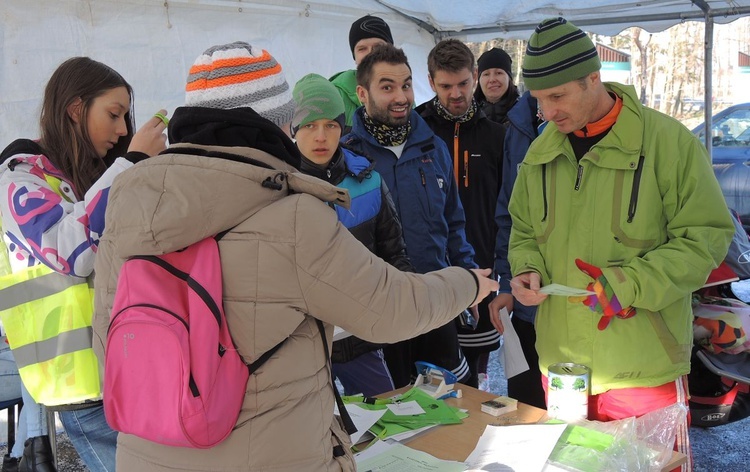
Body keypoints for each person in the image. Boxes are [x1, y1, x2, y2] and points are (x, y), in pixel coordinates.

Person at [91, 41, 498, 472]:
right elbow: (392, 308)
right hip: (269, 456)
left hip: (147, 451)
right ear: (281, 126)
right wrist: (467, 283)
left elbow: (109, 343)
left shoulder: (127, 206)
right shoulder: (292, 215)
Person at [506, 17, 735, 469]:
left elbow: (707, 238)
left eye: (557, 96)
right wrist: (527, 267)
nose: (547, 113)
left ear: (594, 78)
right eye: (539, 100)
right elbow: (524, 232)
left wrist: (631, 282)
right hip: (563, 371)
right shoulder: (541, 152)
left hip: (642, 371)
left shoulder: (668, 143)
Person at [0, 57, 167, 472]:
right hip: (80, 383)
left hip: (122, 368)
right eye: (114, 114)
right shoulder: (17, 182)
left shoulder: (81, 180)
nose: (124, 129)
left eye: (126, 116)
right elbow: (70, 251)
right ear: (75, 109)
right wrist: (130, 165)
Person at [342, 43, 477, 387]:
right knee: (394, 412)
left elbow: (453, 221)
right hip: (378, 312)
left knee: (455, 402)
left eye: (406, 84)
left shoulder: (433, 146)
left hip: (434, 300)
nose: (401, 96)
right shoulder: (347, 159)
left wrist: (467, 274)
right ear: (362, 93)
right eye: (387, 87)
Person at [291, 72, 414, 396]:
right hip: (306, 347)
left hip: (363, 338)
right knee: (319, 435)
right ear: (293, 130)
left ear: (342, 128)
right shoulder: (280, 187)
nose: (321, 136)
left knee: (386, 421)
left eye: (330, 125)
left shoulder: (368, 180)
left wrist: (401, 305)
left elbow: (395, 252)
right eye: (309, 126)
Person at [416, 39, 504, 389]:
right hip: (430, 272)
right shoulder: (416, 129)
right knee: (430, 373)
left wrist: (501, 268)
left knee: (472, 376)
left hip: (481, 268)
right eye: (446, 86)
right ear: (431, 81)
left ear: (476, 76)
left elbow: (506, 209)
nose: (456, 94)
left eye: (464, 83)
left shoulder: (498, 135)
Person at [488, 89, 547, 409]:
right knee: (526, 408)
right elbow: (509, 214)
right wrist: (507, 281)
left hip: (580, 307)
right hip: (526, 305)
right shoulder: (518, 128)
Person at [330, 14, 394, 132]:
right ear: (355, 57)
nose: (370, 54)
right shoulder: (335, 94)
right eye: (362, 49)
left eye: (378, 46)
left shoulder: (403, 90)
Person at [474, 47, 519, 125]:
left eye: (498, 73)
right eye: (486, 74)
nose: (492, 80)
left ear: (509, 78)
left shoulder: (525, 112)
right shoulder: (468, 116)